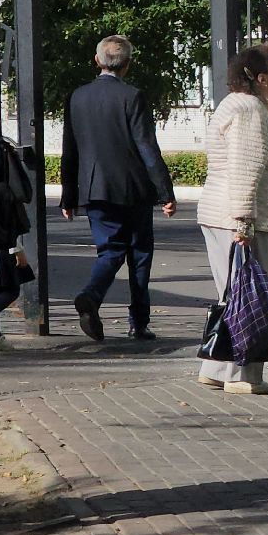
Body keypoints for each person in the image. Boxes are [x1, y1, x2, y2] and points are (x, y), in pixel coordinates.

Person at [60, 35, 176, 341]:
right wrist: (165, 192)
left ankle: (92, 296)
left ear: (97, 61)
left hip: (95, 190)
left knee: (109, 251)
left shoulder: (77, 96)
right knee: (139, 255)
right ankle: (138, 322)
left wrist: (69, 195)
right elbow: (147, 148)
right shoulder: (133, 96)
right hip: (133, 190)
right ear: (127, 65)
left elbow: (69, 150)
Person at [196, 44, 268, 394]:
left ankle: (215, 366)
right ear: (262, 78)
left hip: (224, 215)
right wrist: (243, 223)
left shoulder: (237, 105)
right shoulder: (249, 110)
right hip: (242, 218)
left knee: (233, 292)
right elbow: (244, 168)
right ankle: (242, 376)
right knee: (249, 296)